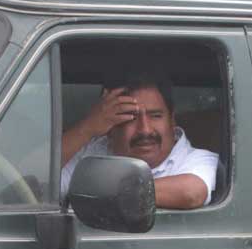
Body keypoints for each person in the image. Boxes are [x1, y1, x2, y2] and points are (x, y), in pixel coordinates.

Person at [60, 71, 218, 209]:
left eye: (155, 116)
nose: (145, 129)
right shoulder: (89, 154)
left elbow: (191, 193)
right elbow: (38, 181)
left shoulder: (199, 159)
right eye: (131, 118)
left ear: (172, 120)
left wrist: (97, 190)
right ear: (109, 127)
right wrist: (88, 127)